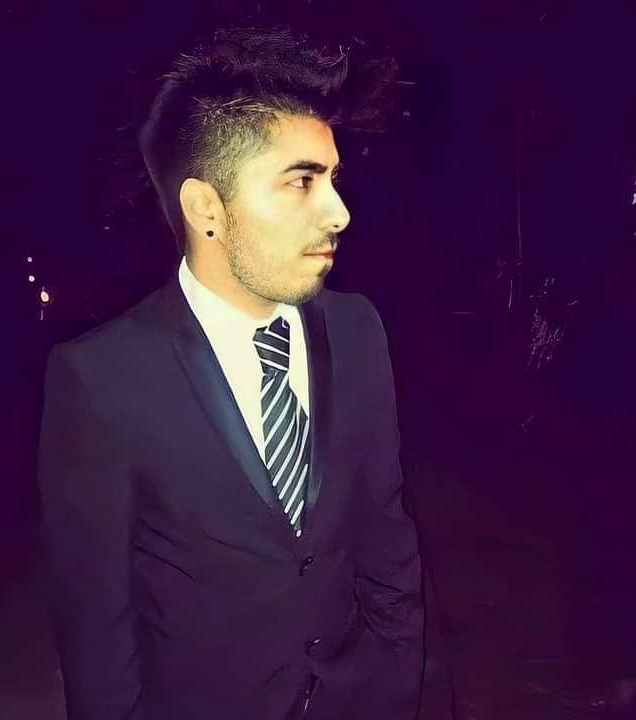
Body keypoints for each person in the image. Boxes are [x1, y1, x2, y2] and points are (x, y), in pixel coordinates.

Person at [37, 25, 423, 720]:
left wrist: (400, 678)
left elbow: (385, 534)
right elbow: (96, 623)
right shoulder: (101, 378)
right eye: (301, 182)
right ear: (206, 208)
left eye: (332, 178)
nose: (338, 212)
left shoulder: (357, 330)